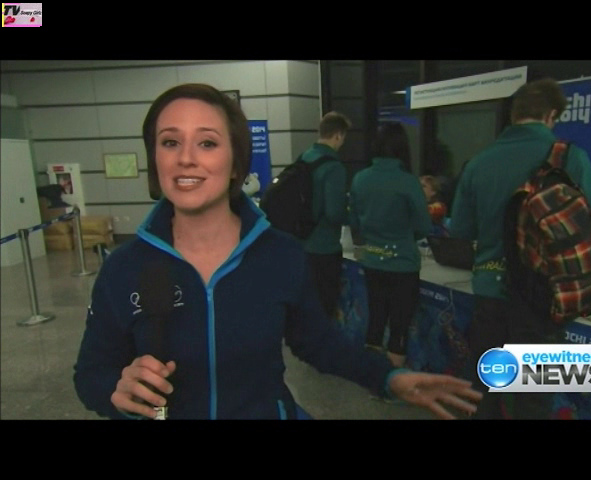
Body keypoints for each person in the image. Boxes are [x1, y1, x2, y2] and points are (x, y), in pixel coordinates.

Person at [73, 83, 482, 420]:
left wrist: (388, 378)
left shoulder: (279, 255)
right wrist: (115, 390)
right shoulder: (125, 267)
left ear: (236, 164)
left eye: (207, 143)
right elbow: (91, 374)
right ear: (155, 159)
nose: (185, 158)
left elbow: (319, 343)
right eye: (170, 142)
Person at [449, 78, 591, 420]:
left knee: (485, 390)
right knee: (533, 399)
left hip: (491, 293)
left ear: (514, 114)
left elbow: (461, 230)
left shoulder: (479, 162)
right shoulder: (568, 157)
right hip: (543, 298)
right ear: (551, 115)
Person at [349, 122, 435, 368]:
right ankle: (393, 381)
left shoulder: (360, 179)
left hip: (373, 261)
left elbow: (354, 221)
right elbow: (424, 226)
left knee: (376, 319)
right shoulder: (408, 182)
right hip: (402, 263)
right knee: (399, 326)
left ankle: (373, 377)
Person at [299, 111, 351, 320]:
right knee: (325, 307)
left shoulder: (304, 158)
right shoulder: (333, 167)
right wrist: (353, 217)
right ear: (338, 135)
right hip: (324, 247)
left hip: (301, 242)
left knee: (306, 306)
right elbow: (334, 213)